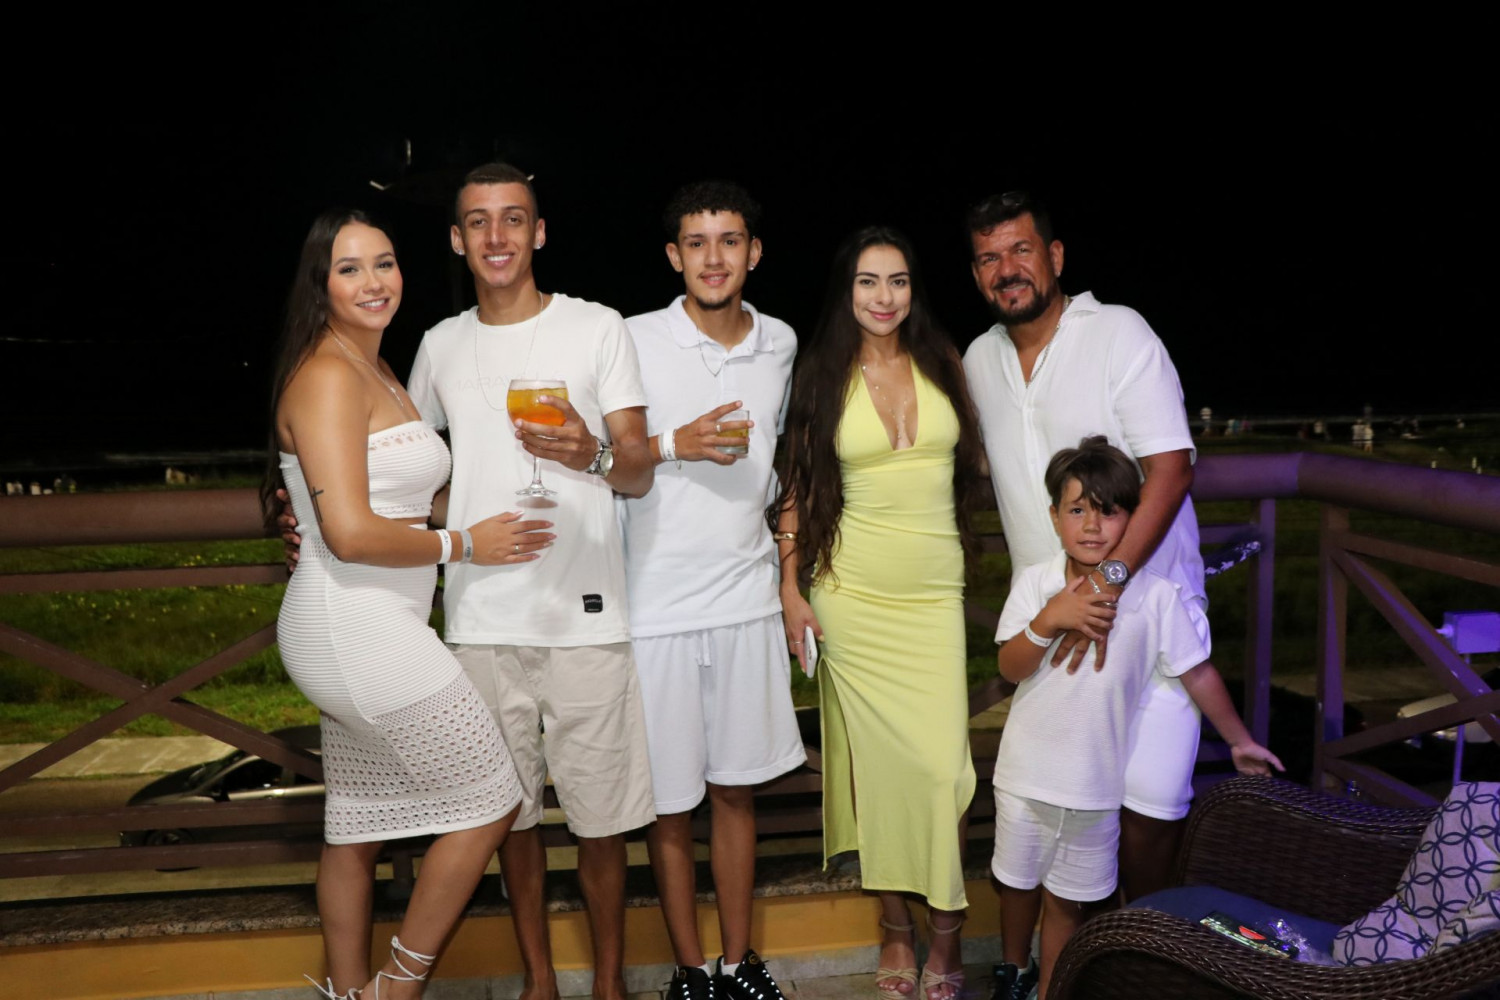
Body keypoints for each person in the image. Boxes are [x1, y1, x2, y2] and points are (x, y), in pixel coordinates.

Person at [267, 208, 541, 1000]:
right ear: (320, 283)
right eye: (349, 268)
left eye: (383, 263)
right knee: (492, 801)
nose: (373, 282)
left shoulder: (375, 365)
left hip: (366, 624)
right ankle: (397, 986)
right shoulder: (327, 374)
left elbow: (395, 497)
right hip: (355, 626)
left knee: (357, 825)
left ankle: (351, 992)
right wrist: (465, 545)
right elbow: (350, 532)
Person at [405, 163, 657, 1000]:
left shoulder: (596, 327)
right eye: (478, 222)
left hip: (587, 619)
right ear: (457, 239)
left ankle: (610, 984)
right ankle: (539, 979)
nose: (497, 236)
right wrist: (451, 522)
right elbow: (408, 471)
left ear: (539, 232)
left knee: (601, 823)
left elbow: (637, 471)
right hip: (480, 618)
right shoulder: (439, 346)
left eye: (513, 218)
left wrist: (589, 451)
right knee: (507, 820)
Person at [960, 191, 1212, 917]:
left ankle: (1148, 955)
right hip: (1054, 639)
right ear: (976, 275)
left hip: (1150, 625)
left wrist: (1108, 580)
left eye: (1020, 250)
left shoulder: (1118, 333)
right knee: (1068, 830)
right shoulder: (979, 361)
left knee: (1148, 819)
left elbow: (1172, 468)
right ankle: (1088, 963)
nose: (1006, 269)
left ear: (1055, 256)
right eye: (988, 258)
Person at [989, 437, 1282, 1000]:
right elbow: (1010, 667)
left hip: (1097, 786)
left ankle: (1050, 989)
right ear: (1054, 516)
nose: (1091, 525)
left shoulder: (1156, 597)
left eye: (1109, 511)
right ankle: (1011, 972)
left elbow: (1197, 672)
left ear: (1133, 520)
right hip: (1025, 776)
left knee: (1068, 902)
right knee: (1016, 882)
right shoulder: (1037, 583)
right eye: (1077, 509)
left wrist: (1239, 740)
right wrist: (1050, 618)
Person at [776, 226, 985, 1000]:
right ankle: (897, 928)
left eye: (897, 280)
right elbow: (797, 489)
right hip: (853, 598)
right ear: (847, 290)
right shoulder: (821, 375)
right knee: (875, 774)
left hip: (933, 599)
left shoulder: (944, 361)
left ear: (913, 289)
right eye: (868, 281)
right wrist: (789, 586)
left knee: (941, 772)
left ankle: (946, 934)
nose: (884, 296)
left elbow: (980, 461)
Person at [621, 181, 805, 1000]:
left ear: (753, 252)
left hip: (745, 601)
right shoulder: (631, 338)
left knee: (735, 792)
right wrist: (676, 443)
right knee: (668, 806)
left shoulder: (781, 343)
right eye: (696, 243)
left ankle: (737, 965)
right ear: (674, 256)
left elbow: (789, 470)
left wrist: (789, 577)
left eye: (729, 240)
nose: (714, 257)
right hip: (654, 606)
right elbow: (604, 457)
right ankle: (689, 972)